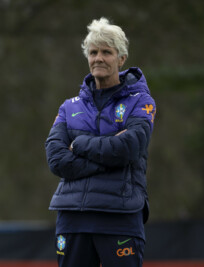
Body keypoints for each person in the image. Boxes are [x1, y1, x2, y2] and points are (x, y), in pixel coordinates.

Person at [45, 17, 156, 267]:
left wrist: (81, 144)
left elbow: (128, 148)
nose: (99, 58)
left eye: (107, 52)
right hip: (72, 217)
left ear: (121, 58)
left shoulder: (140, 101)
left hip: (120, 215)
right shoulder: (68, 107)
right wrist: (109, 160)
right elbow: (57, 160)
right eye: (93, 52)